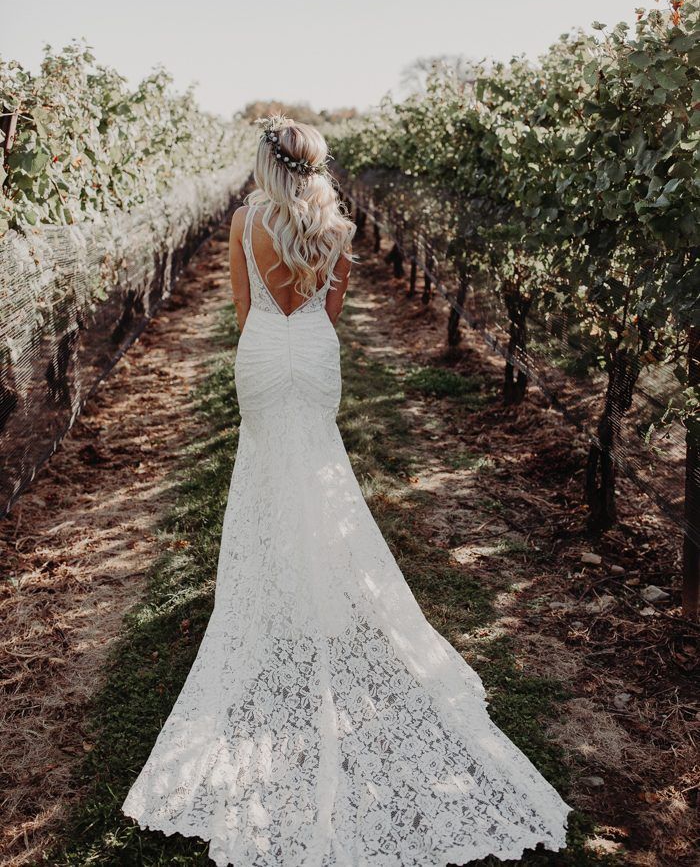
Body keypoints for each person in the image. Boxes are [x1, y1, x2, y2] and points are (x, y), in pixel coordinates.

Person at [121, 117, 571, 866]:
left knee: (268, 472)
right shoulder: (335, 223)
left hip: (264, 355)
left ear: (266, 165)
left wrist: (270, 336)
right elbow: (330, 310)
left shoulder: (244, 220)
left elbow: (242, 309)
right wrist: (305, 333)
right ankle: (323, 593)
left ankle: (276, 596)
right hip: (315, 354)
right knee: (320, 472)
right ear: (317, 165)